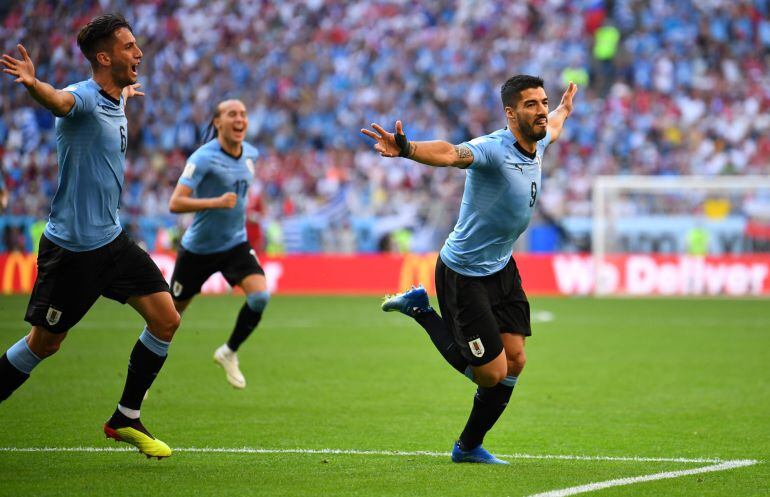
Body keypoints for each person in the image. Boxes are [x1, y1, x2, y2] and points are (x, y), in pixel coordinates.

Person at [362, 75, 577, 464]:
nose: (541, 110)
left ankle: (468, 447)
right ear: (510, 113)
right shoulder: (494, 149)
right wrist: (408, 148)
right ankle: (422, 311)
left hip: (501, 266)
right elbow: (450, 154)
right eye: (532, 105)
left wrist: (563, 109)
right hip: (464, 273)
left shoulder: (540, 137)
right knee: (490, 375)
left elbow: (556, 125)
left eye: (543, 102)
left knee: (516, 360)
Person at [0, 13, 179, 459]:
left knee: (166, 320)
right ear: (104, 56)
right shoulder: (80, 97)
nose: (138, 53)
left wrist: (125, 95)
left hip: (112, 243)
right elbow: (59, 102)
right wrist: (31, 84)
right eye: (128, 46)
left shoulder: (115, 95)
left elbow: (107, 103)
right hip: (73, 250)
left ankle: (126, 417)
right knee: (46, 344)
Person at [168, 99, 267, 390]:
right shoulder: (202, 158)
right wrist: (216, 202)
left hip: (235, 244)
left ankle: (228, 352)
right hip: (198, 250)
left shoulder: (252, 154)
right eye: (232, 114)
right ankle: (144, 373)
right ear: (217, 122)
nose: (240, 119)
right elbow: (175, 202)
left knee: (260, 298)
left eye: (244, 114)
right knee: (169, 319)